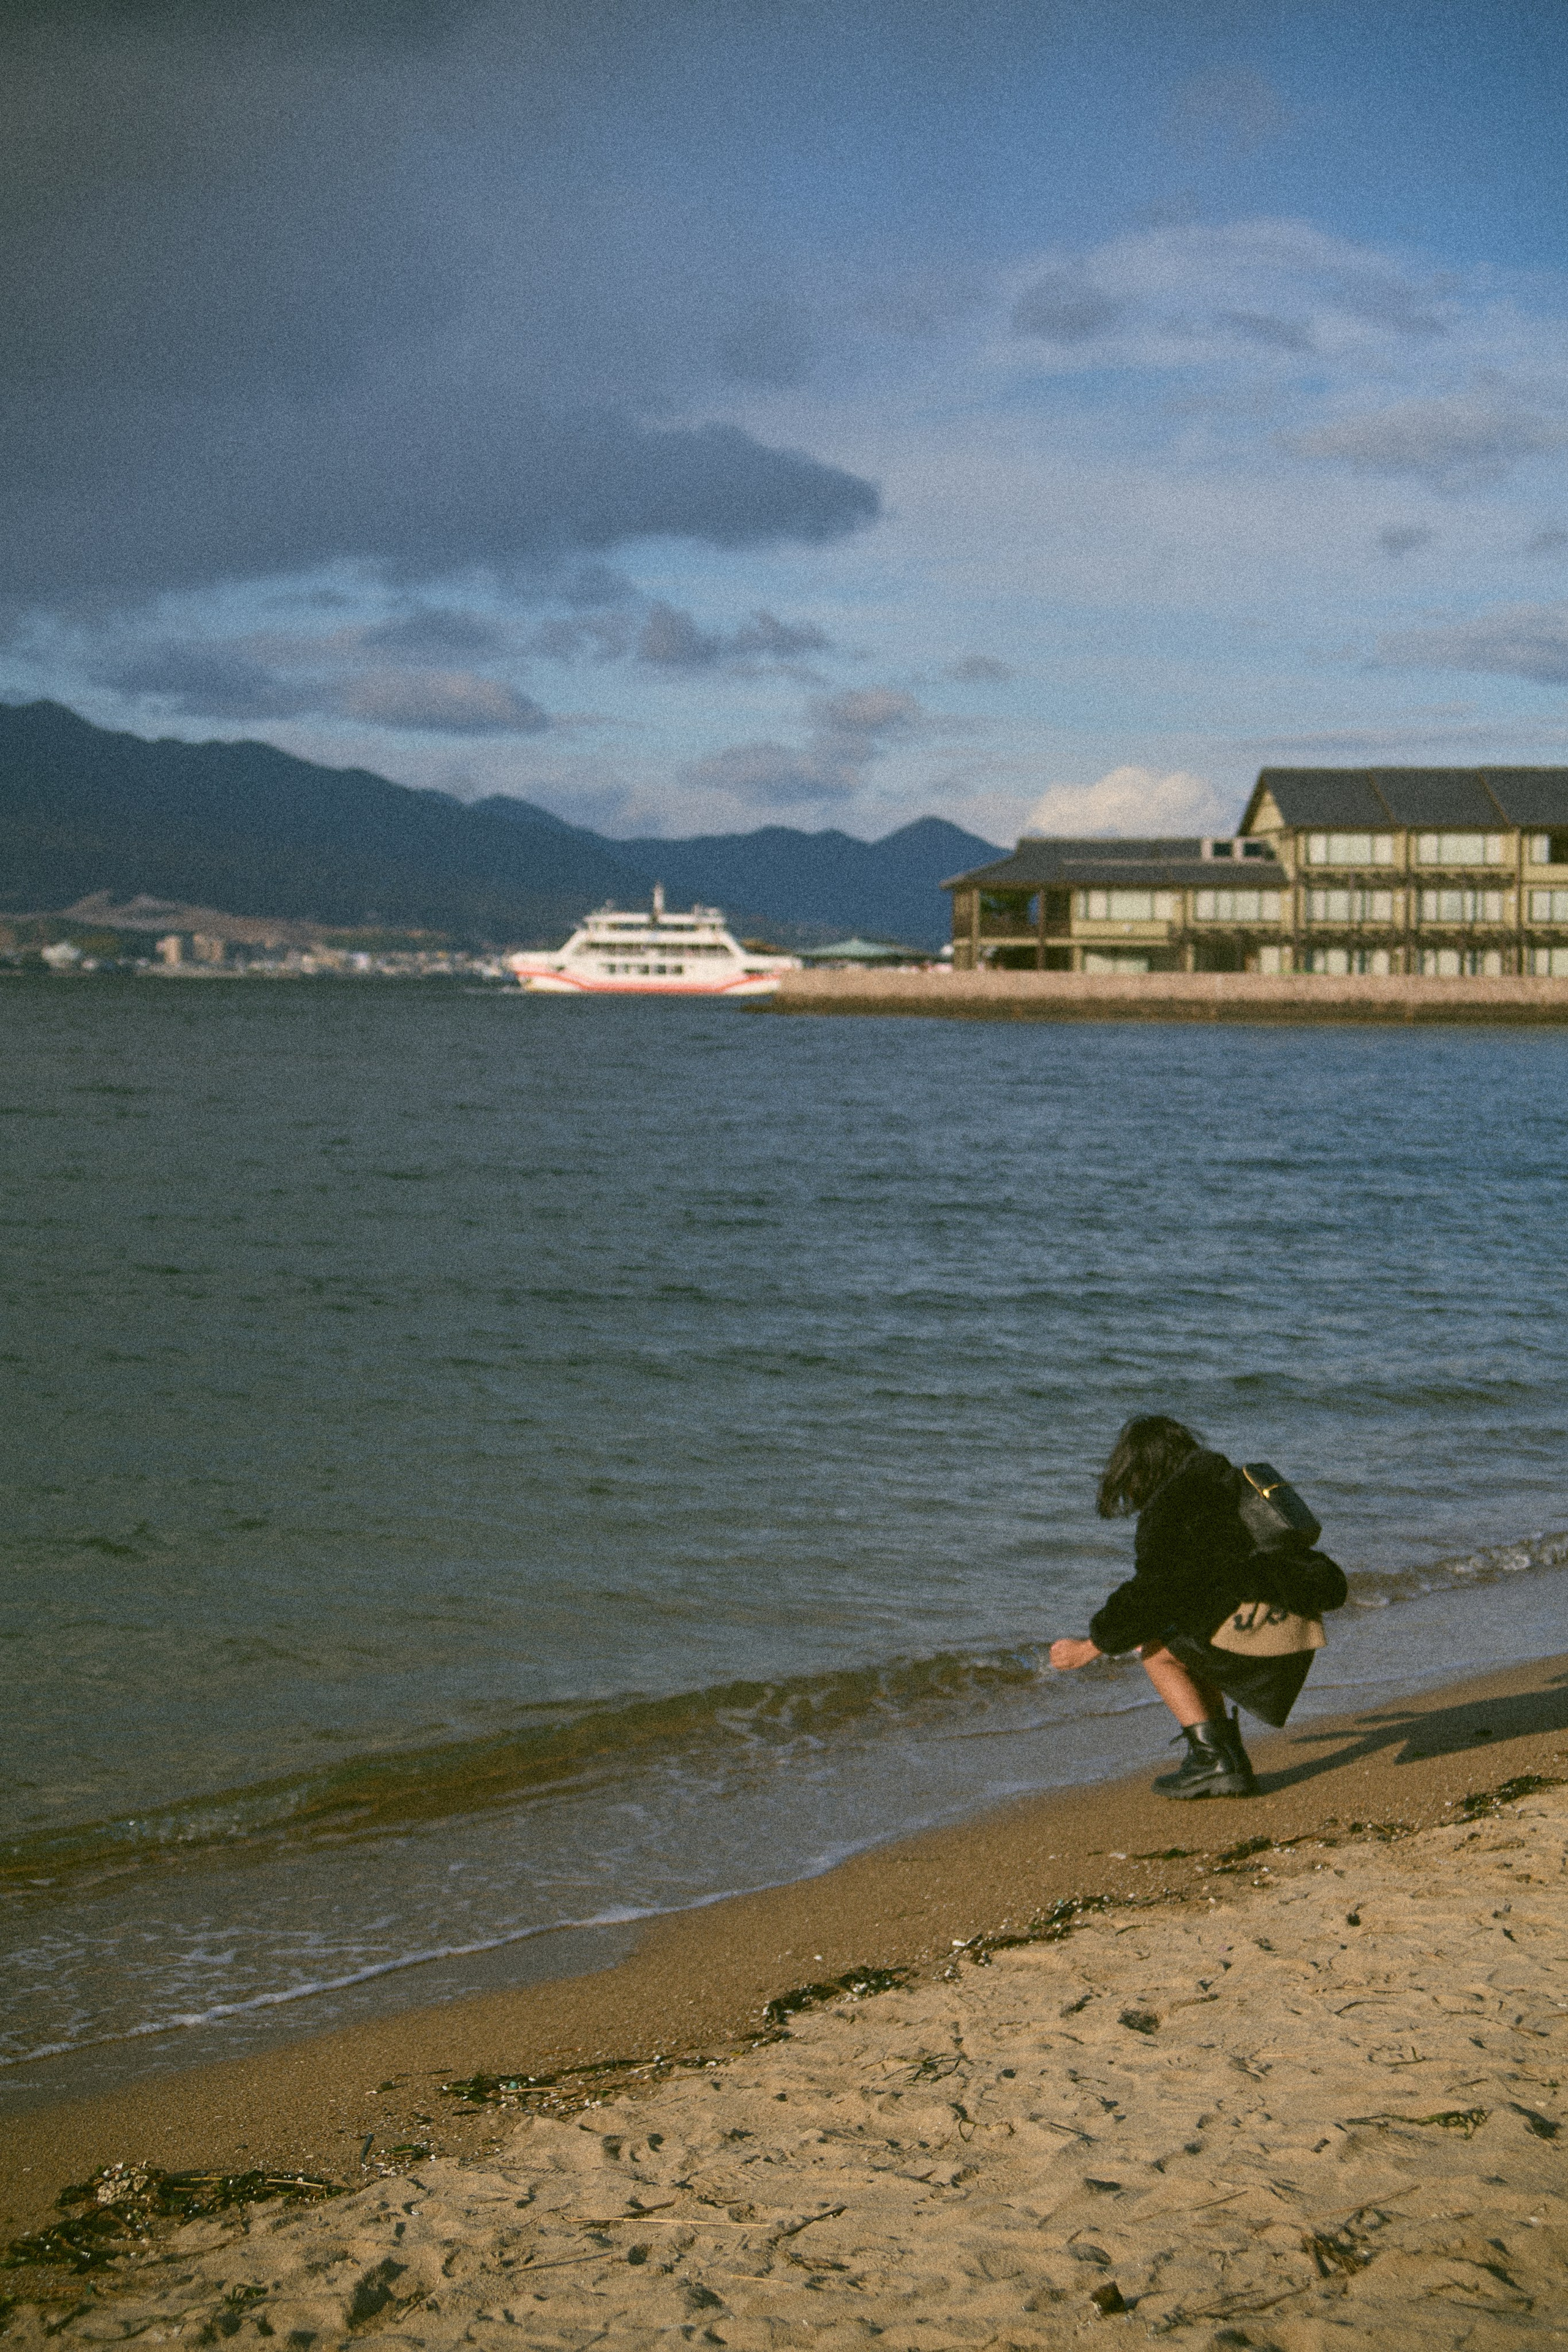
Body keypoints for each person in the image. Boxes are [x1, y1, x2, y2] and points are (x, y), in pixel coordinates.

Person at [1049, 1415, 1346, 1798]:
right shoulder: (1223, 1483)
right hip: (1296, 1615)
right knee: (1182, 1639)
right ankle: (1228, 1760)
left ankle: (1213, 1762)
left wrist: (1090, 1647)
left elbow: (1153, 1591)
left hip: (1269, 1624)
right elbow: (1197, 1582)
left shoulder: (1172, 1510)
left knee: (1158, 1654)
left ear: (1141, 1469)